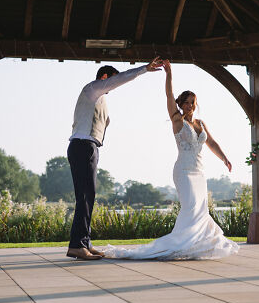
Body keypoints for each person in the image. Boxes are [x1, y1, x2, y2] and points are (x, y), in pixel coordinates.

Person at [100, 61, 239, 260]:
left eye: (193, 102)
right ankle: (179, 243)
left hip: (199, 172)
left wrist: (224, 158)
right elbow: (169, 95)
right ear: (181, 104)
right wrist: (169, 74)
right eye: (187, 102)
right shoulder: (177, 120)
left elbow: (212, 143)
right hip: (184, 171)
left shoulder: (200, 123)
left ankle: (195, 244)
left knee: (201, 210)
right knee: (190, 208)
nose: (190, 105)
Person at [66, 57, 163, 260]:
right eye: (112, 80)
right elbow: (122, 78)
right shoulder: (92, 89)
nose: (114, 86)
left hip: (89, 147)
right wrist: (145, 69)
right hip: (82, 146)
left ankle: (84, 242)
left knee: (89, 196)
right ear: (104, 77)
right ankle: (77, 245)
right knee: (84, 197)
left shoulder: (100, 99)